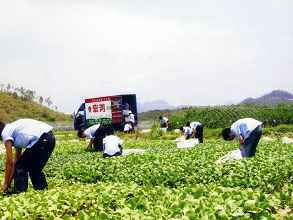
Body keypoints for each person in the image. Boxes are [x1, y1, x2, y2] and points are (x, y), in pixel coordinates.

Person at [0, 119, 55, 193]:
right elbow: (17, 160)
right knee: (35, 169)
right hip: (50, 138)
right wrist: (9, 184)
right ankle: (43, 191)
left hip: (42, 139)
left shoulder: (5, 133)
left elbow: (9, 162)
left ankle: (20, 194)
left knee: (21, 167)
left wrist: (5, 184)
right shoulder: (13, 130)